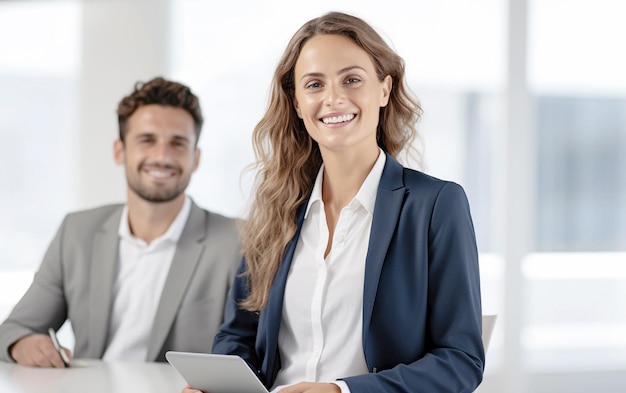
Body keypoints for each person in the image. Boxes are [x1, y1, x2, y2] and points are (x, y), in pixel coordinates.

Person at [184, 11, 484, 393]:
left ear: (384, 89)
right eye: (314, 84)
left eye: (352, 79)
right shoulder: (276, 209)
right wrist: (223, 384)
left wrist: (342, 391)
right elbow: (238, 335)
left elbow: (461, 360)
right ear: (296, 102)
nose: (333, 98)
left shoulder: (435, 205)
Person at [0, 77, 242, 368]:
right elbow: (13, 329)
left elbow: (248, 352)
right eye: (147, 140)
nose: (162, 156)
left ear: (196, 158)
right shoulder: (77, 232)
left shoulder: (238, 242)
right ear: (119, 151)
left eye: (178, 143)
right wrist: (22, 344)